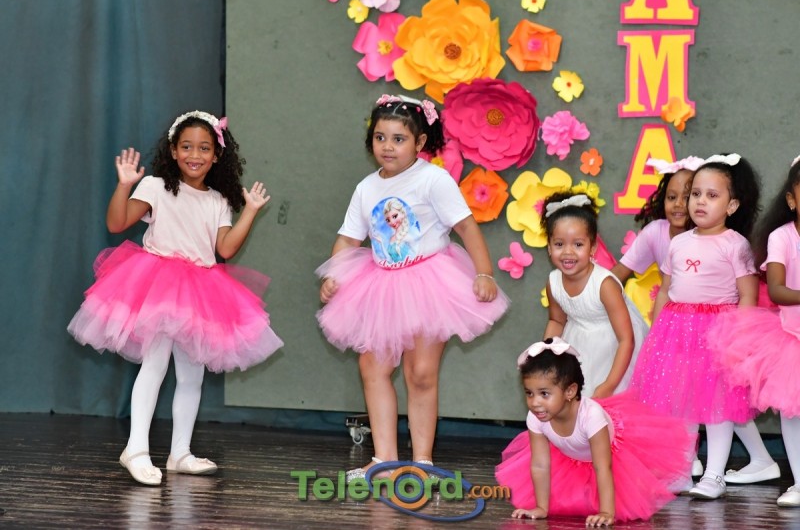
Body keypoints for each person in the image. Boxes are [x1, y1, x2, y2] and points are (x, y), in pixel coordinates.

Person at [68, 111, 283, 486]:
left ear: (217, 155)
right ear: (172, 150)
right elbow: (117, 223)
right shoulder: (155, 187)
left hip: (200, 290)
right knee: (154, 365)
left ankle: (180, 452)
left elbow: (225, 249)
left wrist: (249, 212)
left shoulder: (218, 199)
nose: (194, 155)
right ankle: (136, 449)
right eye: (186, 146)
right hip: (160, 285)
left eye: (204, 148)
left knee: (191, 375)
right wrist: (124, 185)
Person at [317, 94, 508, 480]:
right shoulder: (366, 188)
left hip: (427, 282)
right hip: (381, 286)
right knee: (372, 366)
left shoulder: (432, 179)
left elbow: (465, 226)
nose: (388, 147)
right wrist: (334, 274)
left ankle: (422, 462)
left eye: (399, 139)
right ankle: (384, 460)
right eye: (380, 138)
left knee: (420, 372)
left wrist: (484, 273)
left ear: (420, 142)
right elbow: (349, 237)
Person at [611, 156, 776, 483]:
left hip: (718, 332)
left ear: (731, 206)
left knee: (718, 404)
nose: (700, 201)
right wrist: (657, 332)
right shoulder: (679, 242)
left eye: (712, 196)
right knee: (681, 401)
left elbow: (747, 294)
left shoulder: (736, 245)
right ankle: (682, 472)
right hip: (677, 331)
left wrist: (739, 337)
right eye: (695, 194)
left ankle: (713, 476)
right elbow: (666, 290)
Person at [495, 337, 694, 525]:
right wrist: (541, 507)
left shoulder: (590, 417)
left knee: (626, 485)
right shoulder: (536, 417)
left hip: (612, 455)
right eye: (529, 393)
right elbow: (540, 464)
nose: (535, 402)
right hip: (572, 455)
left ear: (570, 391)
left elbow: (603, 467)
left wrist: (607, 512)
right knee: (573, 500)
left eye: (544, 394)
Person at [710, 156, 800, 506]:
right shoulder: (782, 237)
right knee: (792, 411)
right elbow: (776, 290)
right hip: (791, 336)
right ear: (791, 200)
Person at [542, 192, 648, 398]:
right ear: (549, 247)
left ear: (592, 248)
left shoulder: (604, 285)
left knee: (607, 406)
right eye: (559, 244)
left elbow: (626, 339)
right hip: (578, 342)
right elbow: (556, 321)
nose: (568, 252)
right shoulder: (553, 282)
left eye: (578, 244)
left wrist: (609, 385)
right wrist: (546, 355)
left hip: (615, 349)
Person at [610, 156, 701, 283]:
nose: (677, 204)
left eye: (687, 198)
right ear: (663, 200)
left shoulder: (711, 236)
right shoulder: (655, 232)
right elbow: (619, 272)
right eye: (671, 197)